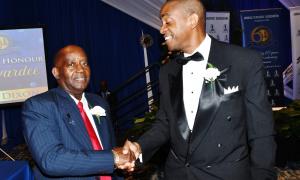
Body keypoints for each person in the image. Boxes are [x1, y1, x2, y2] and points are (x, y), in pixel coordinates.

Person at [123, 0, 277, 180]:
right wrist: (139, 147)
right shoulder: (167, 71)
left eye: (167, 21)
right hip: (177, 174)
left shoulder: (244, 61)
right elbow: (165, 123)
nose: (161, 29)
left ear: (192, 20)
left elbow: (262, 132)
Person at [22, 45, 134, 179]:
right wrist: (113, 158)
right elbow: (51, 160)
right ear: (56, 72)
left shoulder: (99, 102)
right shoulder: (39, 105)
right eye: (71, 64)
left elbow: (108, 147)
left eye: (84, 63)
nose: (81, 69)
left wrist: (125, 160)